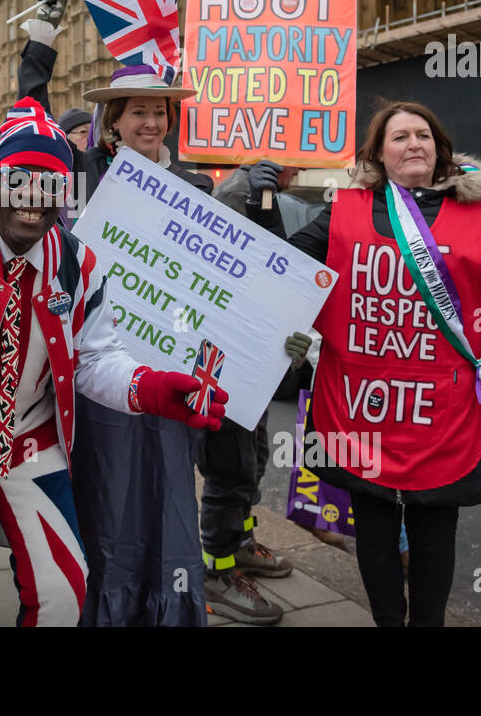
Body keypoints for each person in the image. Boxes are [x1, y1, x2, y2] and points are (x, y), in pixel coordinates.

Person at [0, 99, 228, 626]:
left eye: (50, 181)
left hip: (26, 435)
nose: (33, 195)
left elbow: (96, 358)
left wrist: (150, 388)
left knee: (65, 588)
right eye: (19, 179)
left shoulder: (80, 264)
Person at [17, 0, 307, 625]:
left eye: (159, 112)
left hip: (167, 364)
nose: (149, 122)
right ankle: (102, 600)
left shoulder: (192, 184)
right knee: (107, 491)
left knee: (169, 491)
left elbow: (231, 271)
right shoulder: (80, 171)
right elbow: (29, 116)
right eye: (136, 112)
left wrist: (286, 327)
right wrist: (41, 37)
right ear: (113, 119)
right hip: (99, 366)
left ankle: (168, 596)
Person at [286, 101, 481, 627]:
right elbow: (285, 265)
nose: (413, 144)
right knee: (374, 532)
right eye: (399, 137)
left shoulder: (479, 214)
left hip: (441, 410)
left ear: (440, 148)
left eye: (422, 135)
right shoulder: (344, 209)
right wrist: (261, 206)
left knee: (434, 534)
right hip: (363, 407)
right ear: (380, 152)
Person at [196, 161, 313, 624]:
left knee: (252, 459)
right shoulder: (241, 189)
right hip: (227, 356)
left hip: (255, 355)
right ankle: (217, 570)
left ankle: (240, 545)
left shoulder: (267, 188)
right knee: (229, 466)